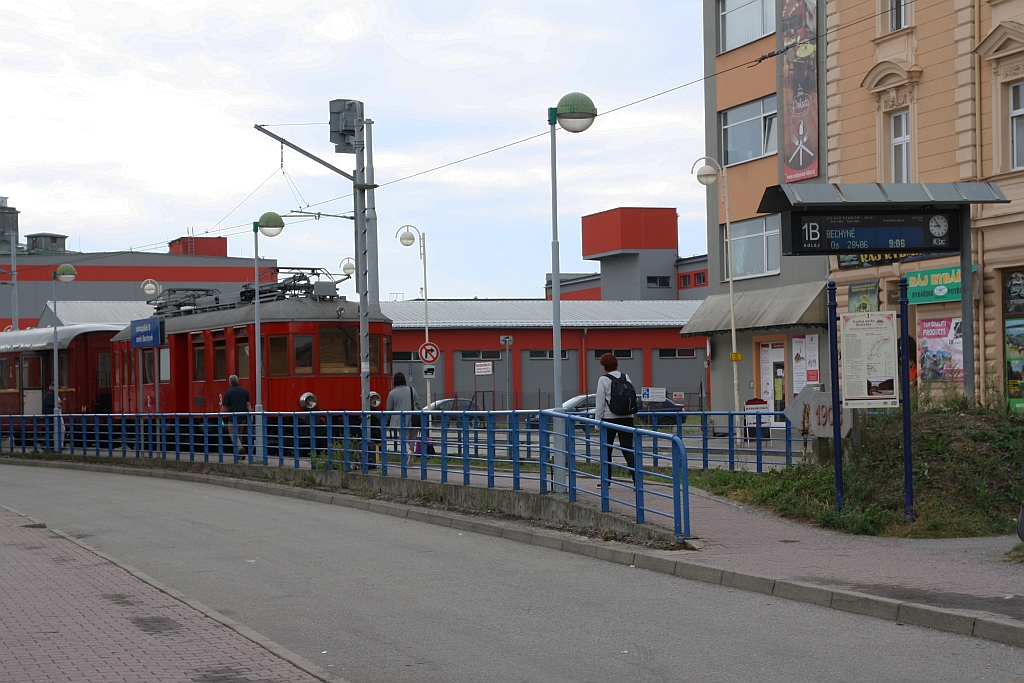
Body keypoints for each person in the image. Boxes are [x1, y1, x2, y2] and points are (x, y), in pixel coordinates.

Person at [594, 352, 637, 484]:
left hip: (609, 419)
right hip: (627, 417)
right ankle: (637, 479)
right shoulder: (626, 377)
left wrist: (597, 422)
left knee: (606, 449)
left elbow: (600, 402)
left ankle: (606, 480)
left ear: (604, 366)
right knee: (627, 449)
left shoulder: (603, 379)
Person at [385, 372, 421, 462]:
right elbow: (418, 404)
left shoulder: (392, 394)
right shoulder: (412, 390)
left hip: (401, 420)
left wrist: (386, 421)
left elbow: (389, 409)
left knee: (404, 439)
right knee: (412, 440)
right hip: (414, 419)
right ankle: (410, 457)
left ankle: (408, 453)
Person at [220, 375, 251, 460]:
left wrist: (220, 416)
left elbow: (224, 406)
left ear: (230, 382)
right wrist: (251, 415)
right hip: (243, 417)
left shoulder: (229, 392)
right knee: (239, 434)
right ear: (237, 381)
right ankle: (239, 455)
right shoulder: (245, 391)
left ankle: (240, 449)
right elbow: (248, 404)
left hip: (233, 418)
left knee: (233, 435)